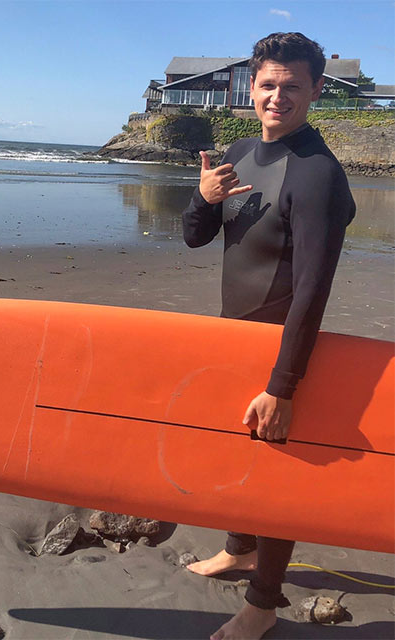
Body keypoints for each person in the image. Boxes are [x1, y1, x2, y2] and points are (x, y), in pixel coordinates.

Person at [180, 32, 356, 640]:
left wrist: (285, 385)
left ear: (317, 90)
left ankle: (262, 604)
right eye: (268, 85)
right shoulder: (241, 150)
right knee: (236, 451)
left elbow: (312, 289)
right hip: (235, 337)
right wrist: (203, 200)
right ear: (252, 86)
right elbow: (195, 237)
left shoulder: (317, 176)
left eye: (293, 86)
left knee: (277, 469)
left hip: (280, 345)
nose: (278, 97)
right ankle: (239, 548)